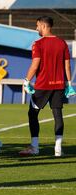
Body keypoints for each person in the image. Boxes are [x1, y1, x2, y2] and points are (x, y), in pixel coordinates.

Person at [20, 16, 75, 156]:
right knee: (57, 114)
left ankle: (35, 147)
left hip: (43, 85)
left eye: (37, 25)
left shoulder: (38, 43)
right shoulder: (62, 43)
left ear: (44, 26)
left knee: (32, 114)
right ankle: (58, 149)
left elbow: (35, 64)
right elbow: (67, 65)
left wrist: (27, 80)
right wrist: (69, 84)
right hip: (59, 85)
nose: (36, 28)